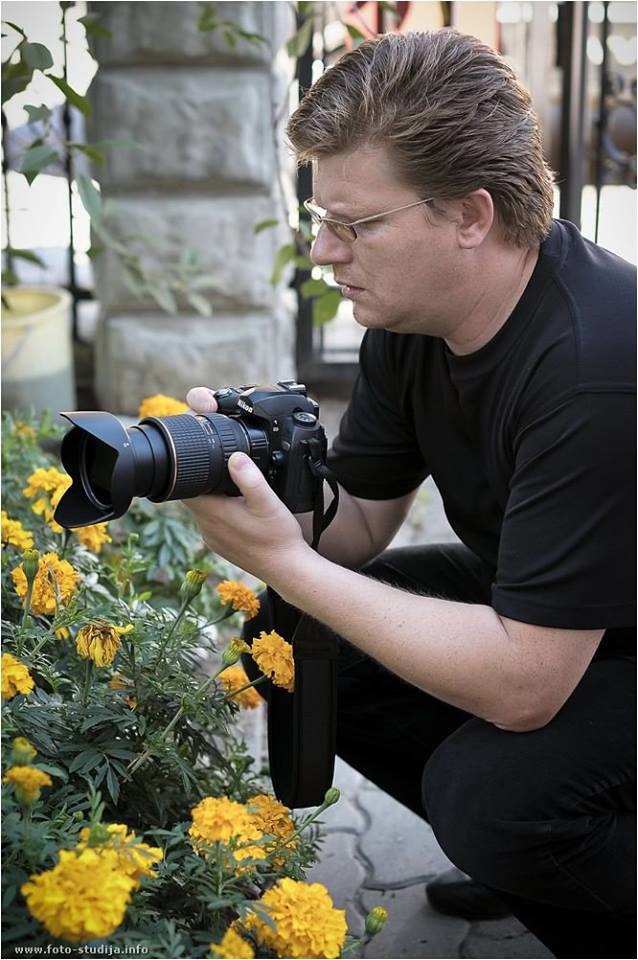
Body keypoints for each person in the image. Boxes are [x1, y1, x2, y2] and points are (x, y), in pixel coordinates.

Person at [184, 29, 636, 959]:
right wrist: (253, 481)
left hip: (583, 642)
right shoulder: (414, 312)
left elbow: (524, 688)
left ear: (470, 216)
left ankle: (573, 878)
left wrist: (283, 558)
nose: (324, 252)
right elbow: (358, 528)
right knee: (298, 638)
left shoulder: (596, 366)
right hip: (570, 612)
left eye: (354, 225)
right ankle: (539, 852)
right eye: (321, 219)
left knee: (496, 795)